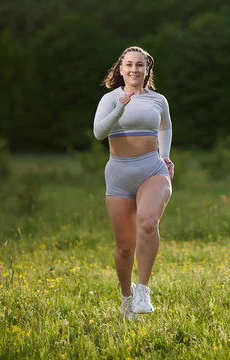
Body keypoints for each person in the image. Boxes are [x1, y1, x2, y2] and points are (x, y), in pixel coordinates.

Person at [93, 46, 174, 320]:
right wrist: (119, 108)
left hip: (153, 169)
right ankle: (126, 297)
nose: (133, 70)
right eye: (128, 64)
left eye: (139, 65)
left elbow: (165, 127)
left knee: (149, 223)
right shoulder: (110, 99)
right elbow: (98, 132)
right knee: (125, 247)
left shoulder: (158, 100)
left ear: (147, 69)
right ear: (120, 68)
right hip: (118, 174)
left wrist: (165, 156)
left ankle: (143, 290)